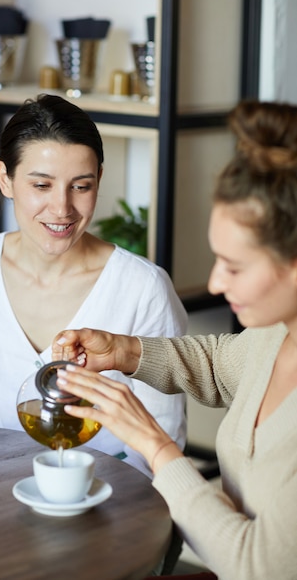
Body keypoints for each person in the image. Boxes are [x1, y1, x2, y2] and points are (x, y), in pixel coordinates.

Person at [52, 99, 297, 579]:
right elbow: (221, 362)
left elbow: (256, 566)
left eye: (235, 266)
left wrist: (154, 444)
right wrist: (122, 351)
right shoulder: (275, 335)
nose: (215, 282)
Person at [0, 93, 187, 475]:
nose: (61, 209)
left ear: (99, 180)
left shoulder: (143, 287)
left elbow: (160, 435)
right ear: (6, 179)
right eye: (41, 185)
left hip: (106, 500)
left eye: (80, 186)